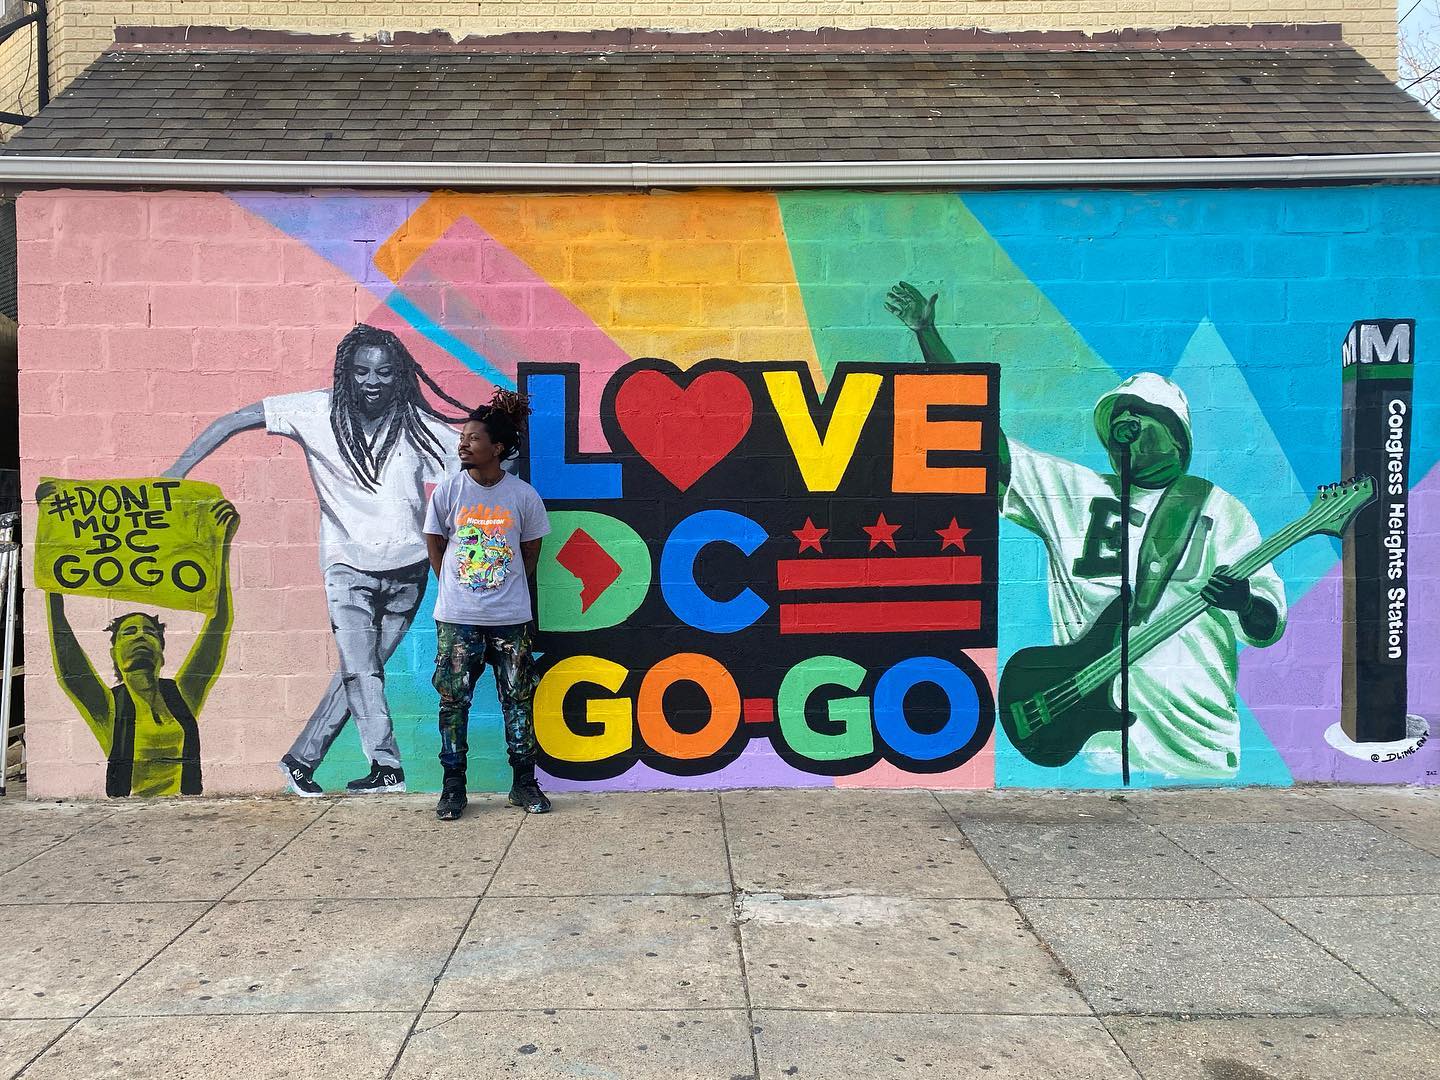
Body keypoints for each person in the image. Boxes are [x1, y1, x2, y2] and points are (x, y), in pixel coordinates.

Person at [885, 281, 1286, 779]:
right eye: (1118, 419)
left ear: (1176, 435)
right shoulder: (1074, 492)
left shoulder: (1222, 511)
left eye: (1141, 416)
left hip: (1198, 748)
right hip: (1099, 748)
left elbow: (1267, 627)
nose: (1126, 424)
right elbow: (979, 434)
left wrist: (1244, 603)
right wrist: (927, 334)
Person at [167, 324, 468, 795]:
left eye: (385, 372)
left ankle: (301, 759)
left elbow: (477, 460)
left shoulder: (415, 424)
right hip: (347, 568)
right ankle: (387, 765)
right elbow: (232, 420)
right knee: (362, 670)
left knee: (360, 672)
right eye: (362, 371)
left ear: (400, 375)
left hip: (409, 572)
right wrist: (177, 472)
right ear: (345, 372)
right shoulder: (313, 411)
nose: (372, 381)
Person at [45, 499, 239, 796]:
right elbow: (70, 665)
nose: (140, 636)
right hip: (131, 812)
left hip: (182, 811)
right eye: (129, 632)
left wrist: (222, 546)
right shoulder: (109, 706)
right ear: (114, 652)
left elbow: (217, 627)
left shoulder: (181, 695)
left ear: (161, 650)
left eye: (149, 632)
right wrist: (51, 582)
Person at [423, 390, 551, 820]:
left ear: (496, 448)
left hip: (510, 620)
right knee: (453, 702)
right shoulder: (449, 491)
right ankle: (453, 788)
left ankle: (524, 784)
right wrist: (453, 586)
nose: (463, 444)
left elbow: (531, 552)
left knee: (518, 699)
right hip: (456, 619)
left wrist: (504, 588)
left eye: (473, 438)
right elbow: (434, 542)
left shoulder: (523, 496)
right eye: (462, 438)